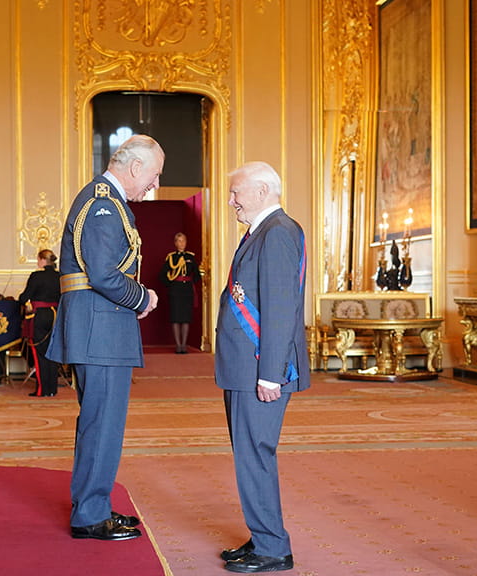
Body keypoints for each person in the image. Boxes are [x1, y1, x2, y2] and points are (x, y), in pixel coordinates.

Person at [47, 134, 162, 541]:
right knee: (103, 423)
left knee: (99, 421)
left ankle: (92, 505)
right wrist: (142, 297)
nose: (154, 185)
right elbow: (103, 274)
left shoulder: (107, 200)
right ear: (134, 168)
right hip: (101, 328)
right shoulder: (103, 203)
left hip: (99, 326)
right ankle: (91, 516)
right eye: (153, 175)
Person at [215, 161, 309, 573]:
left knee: (255, 454)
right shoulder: (261, 232)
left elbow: (278, 307)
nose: (231, 200)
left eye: (237, 192)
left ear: (262, 191)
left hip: (260, 370)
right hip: (245, 368)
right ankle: (261, 536)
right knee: (249, 456)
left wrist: (270, 372)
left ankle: (272, 548)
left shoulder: (278, 233)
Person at [19, 249, 61, 397]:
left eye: (38, 259)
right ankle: (52, 389)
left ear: (43, 260)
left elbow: (25, 297)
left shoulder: (37, 276)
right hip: (57, 316)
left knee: (40, 353)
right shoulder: (59, 276)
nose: (37, 262)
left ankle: (42, 390)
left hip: (40, 316)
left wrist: (22, 299)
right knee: (53, 352)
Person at [160, 232, 200, 353]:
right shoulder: (171, 257)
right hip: (175, 290)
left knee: (186, 318)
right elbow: (163, 275)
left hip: (187, 290)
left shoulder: (191, 257)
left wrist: (191, 282)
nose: (181, 243)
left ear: (186, 242)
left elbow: (197, 274)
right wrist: (171, 285)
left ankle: (184, 345)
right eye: (179, 241)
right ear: (175, 243)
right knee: (176, 318)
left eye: (183, 241)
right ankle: (178, 345)